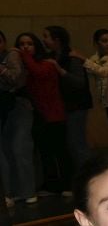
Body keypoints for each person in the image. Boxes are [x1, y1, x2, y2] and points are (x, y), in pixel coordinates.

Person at [16, 33, 71, 195]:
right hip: (38, 115)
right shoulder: (25, 66)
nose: (25, 47)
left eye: (29, 44)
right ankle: (51, 186)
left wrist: (23, 55)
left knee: (60, 151)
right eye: (22, 44)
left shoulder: (47, 64)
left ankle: (67, 185)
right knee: (45, 152)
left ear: (37, 46)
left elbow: (38, 73)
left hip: (54, 114)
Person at [44, 26, 93, 172]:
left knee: (77, 143)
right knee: (69, 143)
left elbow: (79, 82)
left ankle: (89, 177)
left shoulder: (72, 57)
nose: (44, 40)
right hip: (61, 105)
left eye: (46, 36)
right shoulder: (51, 57)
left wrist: (59, 70)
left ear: (57, 40)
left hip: (76, 105)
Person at [0, 31, 35, 207]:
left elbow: (15, 78)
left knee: (20, 148)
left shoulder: (12, 55)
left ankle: (27, 191)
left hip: (18, 106)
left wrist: (2, 68)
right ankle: (12, 192)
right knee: (7, 150)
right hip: (6, 108)